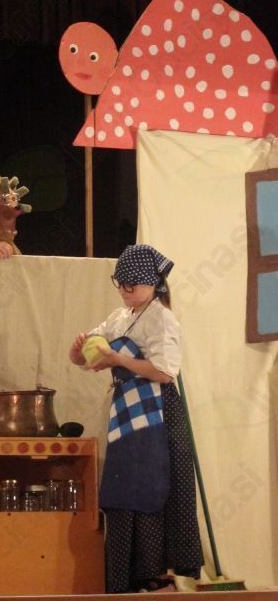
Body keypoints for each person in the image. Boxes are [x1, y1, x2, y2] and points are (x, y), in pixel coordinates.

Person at [69, 244, 203, 593]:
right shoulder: (119, 318)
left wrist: (119, 359)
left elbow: (164, 371)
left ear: (152, 283)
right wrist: (79, 351)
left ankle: (155, 574)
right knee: (123, 489)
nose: (125, 290)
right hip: (126, 413)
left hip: (159, 414)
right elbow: (92, 359)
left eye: (132, 284)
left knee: (152, 487)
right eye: (121, 283)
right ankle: (125, 578)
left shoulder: (162, 318)